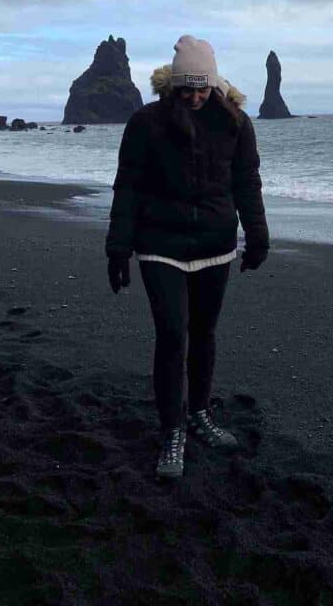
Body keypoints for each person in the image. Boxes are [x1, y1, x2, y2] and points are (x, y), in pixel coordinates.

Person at [105, 35, 269, 479]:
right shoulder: (146, 123)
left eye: (203, 87)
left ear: (215, 84)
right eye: (187, 88)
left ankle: (198, 413)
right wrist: (118, 249)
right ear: (173, 85)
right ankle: (172, 429)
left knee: (204, 334)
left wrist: (257, 236)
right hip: (160, 245)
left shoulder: (236, 123)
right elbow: (128, 187)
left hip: (215, 245)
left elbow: (247, 182)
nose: (195, 96)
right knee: (173, 335)